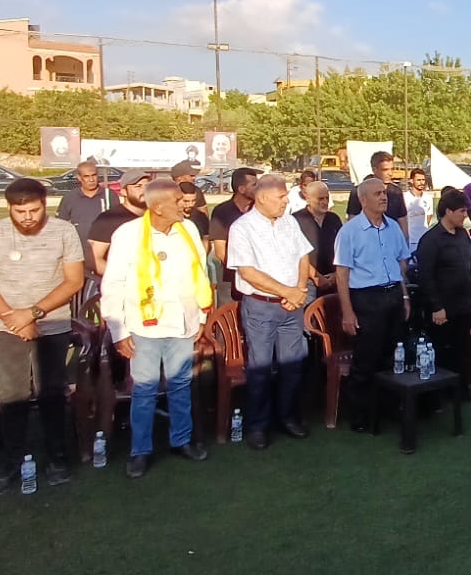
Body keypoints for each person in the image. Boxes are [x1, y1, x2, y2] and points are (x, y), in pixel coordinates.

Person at [0, 178, 86, 494]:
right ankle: (10, 462)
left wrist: (33, 313)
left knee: (52, 390)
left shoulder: (64, 231)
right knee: (12, 393)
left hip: (51, 323)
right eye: (20, 212)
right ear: (9, 207)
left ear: (44, 204)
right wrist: (14, 318)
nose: (27, 218)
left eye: (33, 210)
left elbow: (73, 281)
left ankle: (57, 458)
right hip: (4, 325)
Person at [100, 179, 212, 478]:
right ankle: (141, 450)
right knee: (145, 389)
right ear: (158, 206)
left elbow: (200, 273)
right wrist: (119, 331)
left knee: (180, 385)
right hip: (144, 325)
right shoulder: (128, 234)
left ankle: (181, 440)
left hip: (184, 322)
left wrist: (201, 316)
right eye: (178, 200)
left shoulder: (188, 230)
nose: (184, 204)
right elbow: (113, 284)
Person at [226, 172, 313, 447]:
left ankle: (287, 417)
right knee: (260, 368)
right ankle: (257, 426)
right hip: (261, 307)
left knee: (292, 366)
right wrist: (288, 292)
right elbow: (248, 273)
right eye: (281, 196)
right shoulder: (242, 228)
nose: (287, 201)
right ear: (262, 198)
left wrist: (299, 288)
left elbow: (303, 256)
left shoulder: (289, 221)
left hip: (291, 307)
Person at [334, 177, 412, 432]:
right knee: (366, 359)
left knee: (392, 356)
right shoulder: (350, 232)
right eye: (378, 193)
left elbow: (400, 264)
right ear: (363, 199)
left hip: (393, 295)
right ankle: (359, 415)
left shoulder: (393, 228)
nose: (384, 197)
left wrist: (404, 297)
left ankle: (387, 407)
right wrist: (347, 312)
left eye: (385, 193)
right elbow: (342, 274)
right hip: (367, 299)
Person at [416, 190, 471, 400]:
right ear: (448, 211)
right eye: (462, 211)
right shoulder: (431, 240)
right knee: (443, 349)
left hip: (464, 303)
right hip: (443, 307)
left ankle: (463, 387)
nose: (465, 215)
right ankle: (439, 394)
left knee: (464, 348)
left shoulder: (463, 235)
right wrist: (436, 307)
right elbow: (426, 276)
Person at [209, 167, 259, 307]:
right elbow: (220, 251)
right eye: (254, 185)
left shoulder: (259, 210)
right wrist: (242, 272)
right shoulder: (222, 212)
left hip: (258, 279)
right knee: (228, 314)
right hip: (230, 278)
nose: (258, 188)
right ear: (241, 189)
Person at [87, 168, 150, 274]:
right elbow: (94, 260)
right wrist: (122, 278)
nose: (144, 190)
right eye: (138, 186)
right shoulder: (109, 219)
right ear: (124, 192)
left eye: (147, 186)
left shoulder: (156, 216)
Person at [56, 160, 115, 264]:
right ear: (79, 177)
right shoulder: (69, 198)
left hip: (106, 255)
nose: (91, 179)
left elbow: (118, 224)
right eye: (86, 176)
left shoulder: (109, 196)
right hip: (79, 255)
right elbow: (60, 226)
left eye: (94, 175)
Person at [292, 180, 342, 300]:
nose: (325, 202)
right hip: (307, 282)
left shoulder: (334, 219)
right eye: (320, 199)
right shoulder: (296, 220)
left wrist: (337, 274)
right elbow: (294, 254)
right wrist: (315, 276)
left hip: (334, 280)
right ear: (308, 199)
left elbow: (343, 249)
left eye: (327, 198)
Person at [347, 151, 409, 238]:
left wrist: (404, 242)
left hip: (390, 239)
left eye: (392, 169)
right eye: (385, 170)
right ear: (374, 170)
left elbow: (402, 221)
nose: (390, 173)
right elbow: (352, 222)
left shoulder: (396, 192)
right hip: (366, 240)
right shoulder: (359, 191)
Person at [405, 167, 434, 242]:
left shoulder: (428, 198)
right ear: (412, 181)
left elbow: (429, 216)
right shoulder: (404, 197)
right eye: (418, 180)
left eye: (423, 180)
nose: (422, 182)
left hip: (424, 240)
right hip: (410, 240)